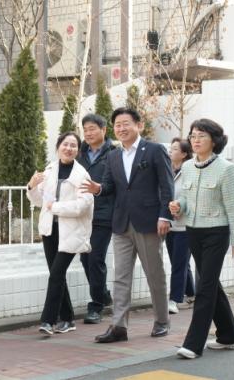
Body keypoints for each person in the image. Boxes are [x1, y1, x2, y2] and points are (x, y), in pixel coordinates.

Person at [81, 107, 174, 343]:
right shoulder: (113, 155)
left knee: (154, 274)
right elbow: (109, 186)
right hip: (121, 223)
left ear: (138, 125)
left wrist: (165, 216)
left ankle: (162, 320)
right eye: (117, 125)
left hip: (149, 222)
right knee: (121, 277)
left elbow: (167, 185)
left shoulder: (154, 150)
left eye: (125, 123)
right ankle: (119, 326)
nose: (121, 128)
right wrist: (98, 189)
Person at [169, 118, 234, 359]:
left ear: (214, 140)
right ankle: (230, 335)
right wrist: (178, 205)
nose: (196, 140)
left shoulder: (226, 169)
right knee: (211, 285)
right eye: (193, 135)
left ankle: (193, 344)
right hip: (193, 231)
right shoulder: (188, 167)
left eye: (201, 135)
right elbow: (186, 199)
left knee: (204, 287)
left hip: (217, 232)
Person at [27, 131, 94, 335]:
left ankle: (48, 321)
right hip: (50, 230)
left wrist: (55, 207)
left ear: (78, 150)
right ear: (58, 147)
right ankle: (67, 319)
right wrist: (31, 186)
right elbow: (40, 201)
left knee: (56, 274)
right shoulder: (50, 170)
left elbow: (82, 205)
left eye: (73, 145)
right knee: (57, 275)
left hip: (72, 232)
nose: (69, 148)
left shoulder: (82, 175)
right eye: (65, 144)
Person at [77, 114, 116, 324]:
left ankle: (96, 306)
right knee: (85, 258)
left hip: (103, 214)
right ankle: (104, 295)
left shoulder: (114, 154)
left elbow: (118, 184)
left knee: (95, 258)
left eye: (92, 128)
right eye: (85, 129)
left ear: (103, 130)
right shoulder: (79, 153)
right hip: (82, 214)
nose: (88, 133)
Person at [166, 137, 196, 315]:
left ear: (184, 154)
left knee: (178, 263)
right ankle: (191, 294)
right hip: (170, 225)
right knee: (180, 262)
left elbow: (192, 198)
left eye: (175, 149)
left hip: (186, 226)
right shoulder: (167, 170)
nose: (171, 151)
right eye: (171, 148)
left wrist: (181, 209)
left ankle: (174, 300)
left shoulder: (190, 172)